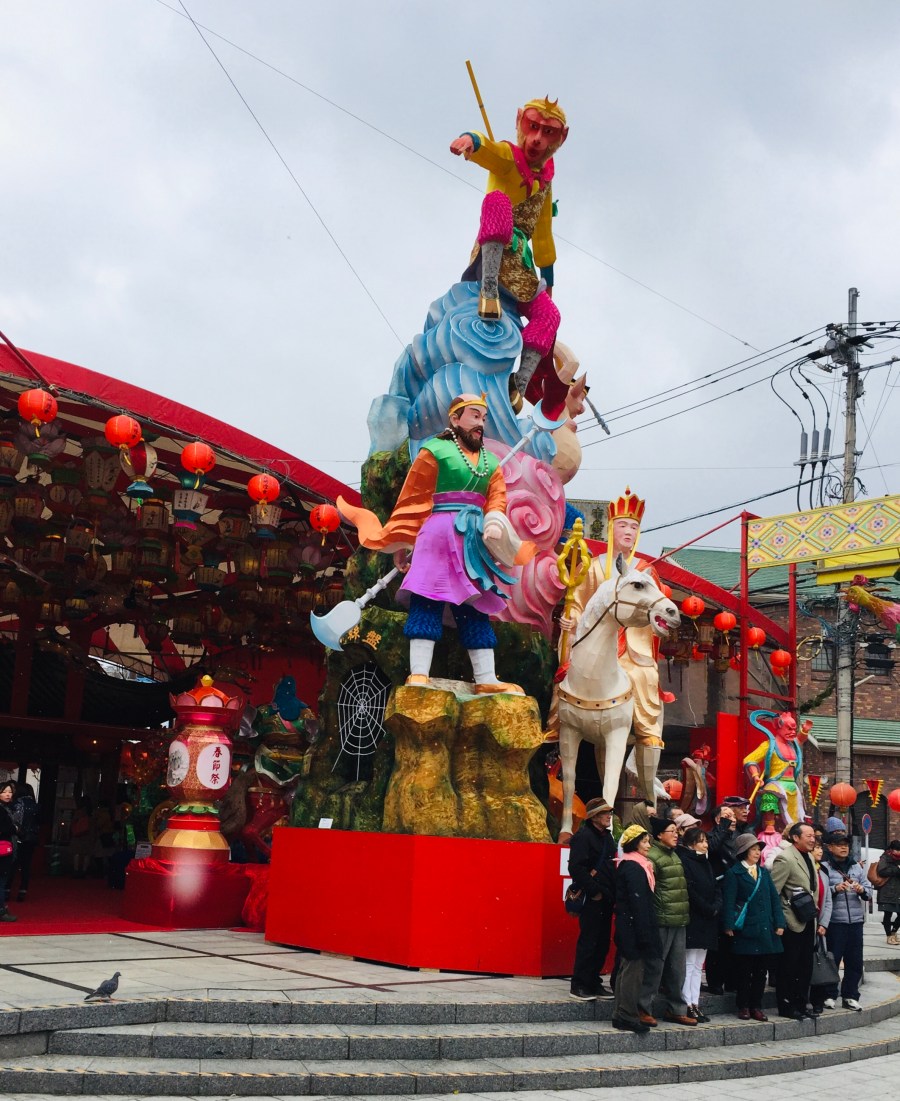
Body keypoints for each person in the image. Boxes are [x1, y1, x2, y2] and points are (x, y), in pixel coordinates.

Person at [337, 393, 535, 691]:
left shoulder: (490, 462)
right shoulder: (434, 450)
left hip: (473, 542)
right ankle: (419, 674)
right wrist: (403, 543)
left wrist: (494, 521)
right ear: (455, 419)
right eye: (474, 416)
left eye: (483, 418)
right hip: (437, 536)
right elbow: (413, 498)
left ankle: (486, 679)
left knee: (475, 607)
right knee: (427, 599)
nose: (480, 424)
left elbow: (497, 499)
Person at [555, 488, 671, 802]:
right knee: (568, 676)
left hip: (631, 647)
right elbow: (580, 603)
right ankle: (555, 721)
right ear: (611, 529)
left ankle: (647, 738)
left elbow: (655, 610)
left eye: (634, 527)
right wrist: (571, 619)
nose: (628, 532)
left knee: (644, 678)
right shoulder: (594, 566)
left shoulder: (646, 571)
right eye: (623, 525)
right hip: (599, 641)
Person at [450, 98, 567, 405]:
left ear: (561, 138)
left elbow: (543, 237)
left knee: (550, 315)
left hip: (522, 268)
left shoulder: (545, 185)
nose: (537, 139)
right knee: (497, 201)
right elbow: (488, 148)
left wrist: (549, 283)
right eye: (533, 127)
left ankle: (519, 382)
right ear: (519, 122)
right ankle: (488, 291)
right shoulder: (508, 158)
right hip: (494, 250)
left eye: (548, 133)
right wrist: (470, 140)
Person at [721, 833, 784, 1020]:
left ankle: (756, 1005)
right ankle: (743, 1006)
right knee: (744, 970)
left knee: (761, 971)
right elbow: (729, 901)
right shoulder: (734, 873)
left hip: (764, 928)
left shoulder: (763, 872)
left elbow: (774, 899)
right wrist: (728, 925)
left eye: (758, 850)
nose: (757, 853)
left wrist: (779, 922)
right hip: (746, 928)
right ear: (744, 852)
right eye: (753, 849)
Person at [642, 817, 695, 1025]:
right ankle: (643, 1008)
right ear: (659, 835)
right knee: (655, 967)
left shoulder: (675, 855)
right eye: (671, 831)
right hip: (662, 920)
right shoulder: (652, 857)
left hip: (679, 919)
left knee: (677, 969)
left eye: (676, 831)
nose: (676, 834)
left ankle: (676, 1009)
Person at [611, 824, 660, 1034]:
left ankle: (621, 1014)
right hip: (633, 926)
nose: (648, 845)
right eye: (644, 841)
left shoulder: (631, 864)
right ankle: (627, 1015)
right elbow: (638, 903)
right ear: (634, 843)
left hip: (629, 924)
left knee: (627, 968)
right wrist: (644, 933)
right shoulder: (634, 867)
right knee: (633, 971)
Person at [567, 799, 617, 1000]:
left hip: (606, 896)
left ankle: (593, 982)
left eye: (610, 812)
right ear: (594, 816)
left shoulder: (607, 836)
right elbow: (576, 868)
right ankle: (579, 984)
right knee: (589, 941)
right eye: (605, 813)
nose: (609, 816)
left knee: (602, 942)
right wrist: (594, 890)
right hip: (592, 897)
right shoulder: (583, 836)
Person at [770, 821, 819, 1019]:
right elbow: (774, 891)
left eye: (814, 836)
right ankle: (786, 1006)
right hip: (791, 920)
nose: (813, 839)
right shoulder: (785, 858)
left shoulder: (809, 856)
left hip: (808, 918)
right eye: (808, 836)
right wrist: (780, 919)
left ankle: (801, 1003)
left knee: (805, 965)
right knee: (789, 965)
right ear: (795, 837)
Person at [706, 798, 753, 995]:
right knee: (719, 942)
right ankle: (716, 981)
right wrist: (723, 828)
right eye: (727, 816)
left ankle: (733, 980)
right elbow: (713, 848)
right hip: (719, 893)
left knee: (735, 939)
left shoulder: (740, 836)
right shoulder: (710, 837)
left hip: (738, 893)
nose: (732, 819)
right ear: (718, 819)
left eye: (733, 816)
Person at [821, 829, 870, 1011]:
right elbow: (821, 892)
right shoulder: (824, 867)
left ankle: (850, 995)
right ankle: (829, 994)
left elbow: (869, 891)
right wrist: (835, 888)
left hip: (855, 921)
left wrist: (862, 890)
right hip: (835, 922)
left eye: (846, 845)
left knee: (855, 960)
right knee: (833, 959)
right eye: (839, 845)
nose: (844, 848)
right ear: (830, 847)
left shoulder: (856, 867)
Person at [677, 826, 719, 1022]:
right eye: (701, 841)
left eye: (706, 841)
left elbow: (716, 887)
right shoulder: (686, 861)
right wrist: (707, 908)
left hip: (708, 918)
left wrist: (716, 905)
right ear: (691, 844)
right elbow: (690, 890)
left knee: (698, 964)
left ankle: (695, 1002)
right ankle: (686, 1002)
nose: (705, 844)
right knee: (689, 962)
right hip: (694, 917)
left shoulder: (706, 862)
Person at [744, 710, 811, 827]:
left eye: (794, 730)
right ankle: (769, 826)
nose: (792, 732)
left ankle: (794, 829)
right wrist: (755, 776)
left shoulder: (793, 745)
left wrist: (804, 730)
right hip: (775, 783)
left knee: (797, 812)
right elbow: (750, 759)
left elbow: (800, 739)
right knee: (769, 797)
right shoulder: (769, 745)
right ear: (778, 727)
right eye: (789, 729)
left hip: (791, 784)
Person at [808, 837, 834, 1015]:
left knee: (819, 962)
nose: (820, 851)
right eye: (816, 848)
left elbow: (828, 901)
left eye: (820, 848)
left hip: (820, 926)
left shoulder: (822, 872)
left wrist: (824, 923)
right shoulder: (806, 870)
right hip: (805, 923)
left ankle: (817, 1000)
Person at [6, 782, 39, 902]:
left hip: (17, 837)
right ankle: (23, 890)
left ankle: (7, 890)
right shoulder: (35, 805)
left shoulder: (15, 804)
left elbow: (12, 820)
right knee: (26, 865)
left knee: (12, 864)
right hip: (30, 838)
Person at [875, 839, 900, 945]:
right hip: (887, 891)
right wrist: (896, 869)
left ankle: (893, 932)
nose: (898, 852)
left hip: (898, 891)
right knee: (888, 914)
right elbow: (881, 871)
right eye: (896, 850)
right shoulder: (885, 857)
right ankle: (889, 936)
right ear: (891, 849)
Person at [0, 780, 18, 922]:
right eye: (4, 792)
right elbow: (6, 828)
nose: (8, 794)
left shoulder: (7, 808)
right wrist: (14, 828)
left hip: (5, 846)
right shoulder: (3, 810)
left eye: (10, 792)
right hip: (3, 848)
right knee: (1, 880)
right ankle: (1, 910)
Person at [69, 796, 94, 877]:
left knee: (77, 853)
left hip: (78, 835)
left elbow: (73, 822)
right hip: (87, 835)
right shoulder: (91, 813)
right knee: (86, 854)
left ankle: (76, 870)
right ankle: (84, 870)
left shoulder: (78, 812)